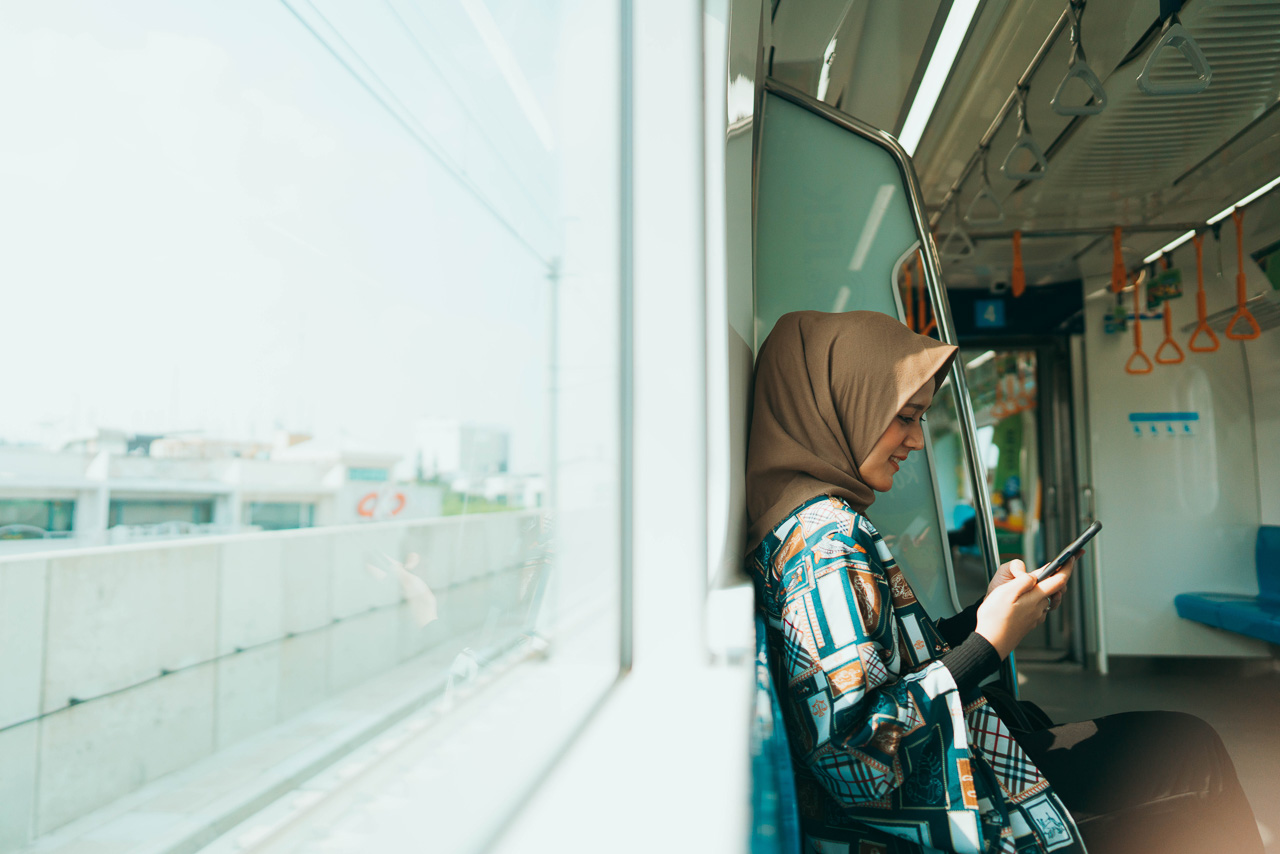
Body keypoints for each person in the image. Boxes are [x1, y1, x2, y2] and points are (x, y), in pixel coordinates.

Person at [745, 310, 1263, 854]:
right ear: (842, 406)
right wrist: (988, 646)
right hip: (935, 813)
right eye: (905, 416)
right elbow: (854, 761)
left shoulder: (791, 524)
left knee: (1175, 741)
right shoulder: (829, 541)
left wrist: (984, 613)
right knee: (1189, 748)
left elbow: (879, 660)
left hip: (944, 770)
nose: (917, 441)